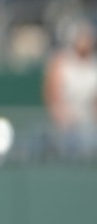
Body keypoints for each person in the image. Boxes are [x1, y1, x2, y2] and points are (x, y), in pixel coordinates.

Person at [42, 19, 97, 160]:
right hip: (64, 126)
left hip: (88, 126)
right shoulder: (61, 62)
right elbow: (52, 96)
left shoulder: (93, 65)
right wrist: (64, 120)